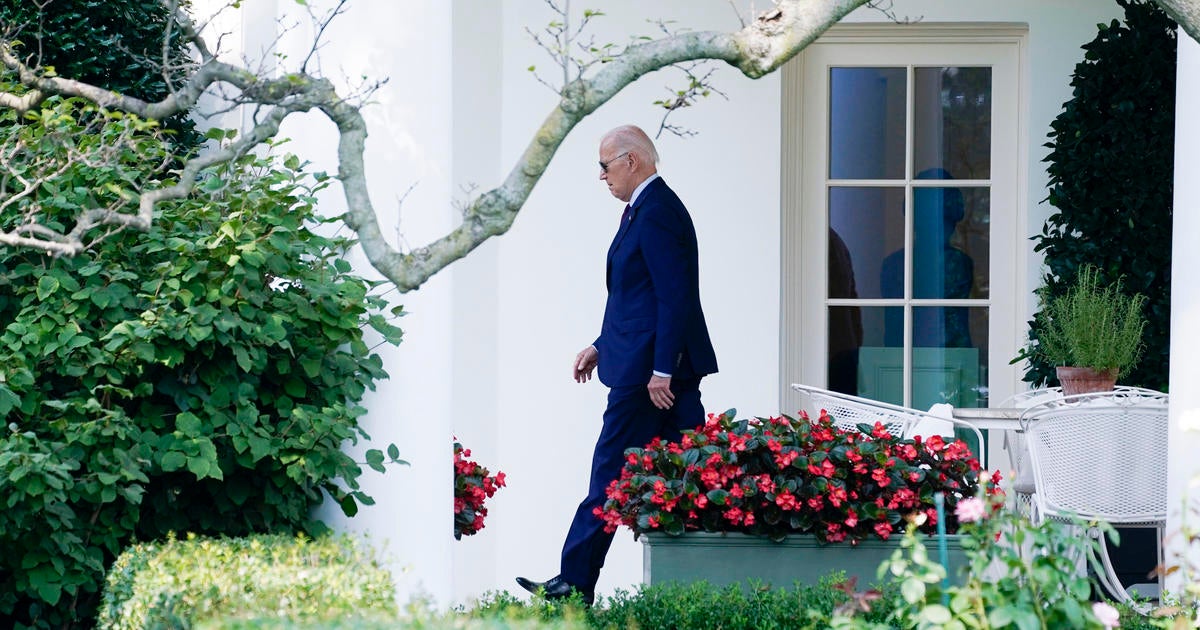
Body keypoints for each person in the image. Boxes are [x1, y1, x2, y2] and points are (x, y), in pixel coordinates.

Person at [515, 125, 718, 605]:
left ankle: (574, 584)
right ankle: (689, 590)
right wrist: (601, 344)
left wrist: (662, 370)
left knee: (612, 473)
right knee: (687, 475)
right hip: (649, 367)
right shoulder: (645, 210)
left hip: (649, 378)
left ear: (632, 161)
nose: (601, 176)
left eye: (604, 166)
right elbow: (638, 298)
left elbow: (675, 298)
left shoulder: (657, 212)